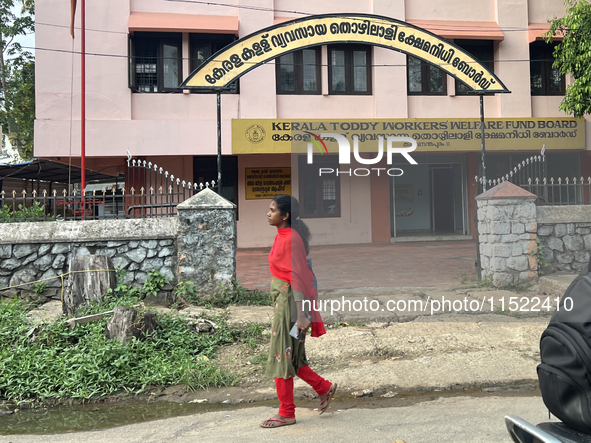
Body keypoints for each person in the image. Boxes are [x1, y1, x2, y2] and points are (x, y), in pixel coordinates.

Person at [260, 194, 337, 428]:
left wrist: (302, 316)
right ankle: (324, 387)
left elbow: (295, 278)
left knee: (281, 357)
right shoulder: (284, 235)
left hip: (291, 308)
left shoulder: (290, 239)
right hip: (289, 305)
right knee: (292, 356)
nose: (268, 213)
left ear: (285, 216)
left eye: (272, 210)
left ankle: (286, 413)